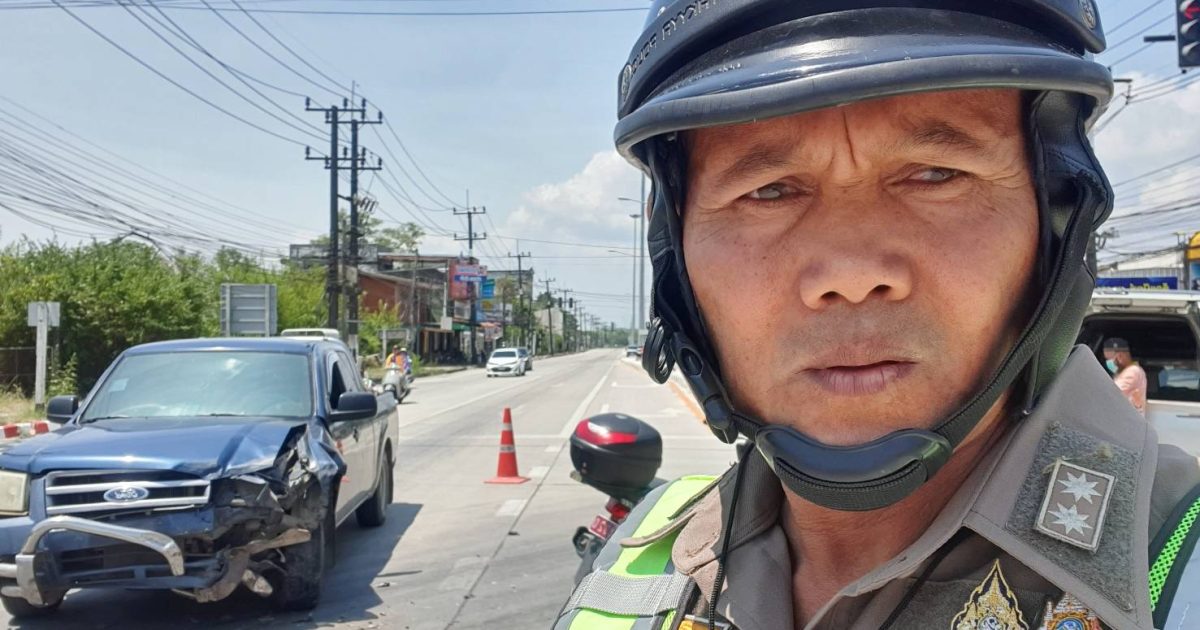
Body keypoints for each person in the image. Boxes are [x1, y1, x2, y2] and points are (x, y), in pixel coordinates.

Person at [555, 2, 1200, 629]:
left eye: (936, 174)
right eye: (769, 191)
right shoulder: (639, 557)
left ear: (1057, 222)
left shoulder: (1178, 565)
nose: (851, 273)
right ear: (676, 253)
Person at [1104, 338, 1147, 416]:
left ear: (1120, 356)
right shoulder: (1123, 372)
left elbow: (1111, 394)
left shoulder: (1132, 371)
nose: (1108, 362)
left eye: (1109, 359)